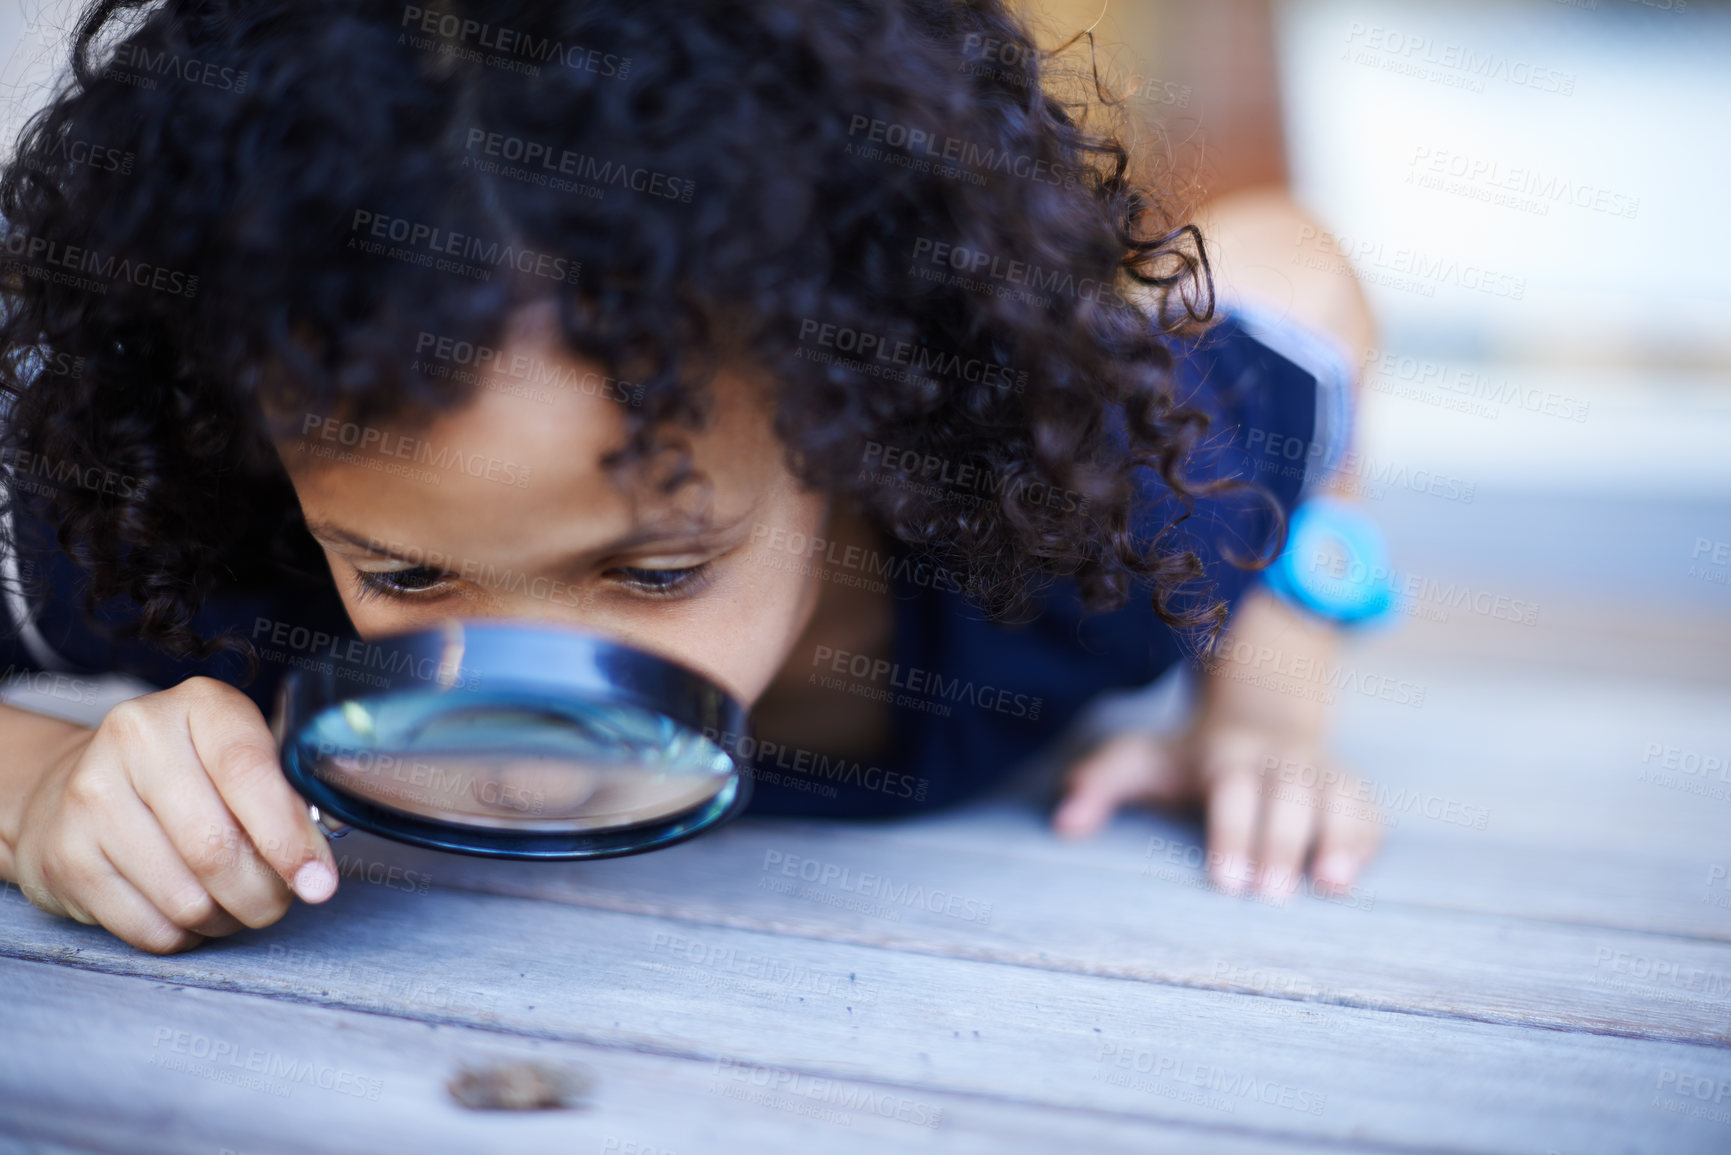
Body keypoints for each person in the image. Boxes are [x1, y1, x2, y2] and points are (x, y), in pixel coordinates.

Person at [0, 0, 1381, 955]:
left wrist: (1266, 685)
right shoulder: (196, 553)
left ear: (859, 401)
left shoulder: (1086, 519)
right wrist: (42, 794)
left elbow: (1300, 270)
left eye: (655, 569)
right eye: (404, 572)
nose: (531, 679)